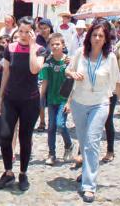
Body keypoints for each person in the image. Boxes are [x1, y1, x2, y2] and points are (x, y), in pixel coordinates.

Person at [66, 19, 120, 203]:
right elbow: (67, 71)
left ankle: (89, 186)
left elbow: (118, 82)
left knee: (92, 142)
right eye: (94, 35)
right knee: (84, 141)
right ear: (89, 36)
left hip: (100, 103)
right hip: (79, 102)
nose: (97, 38)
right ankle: (87, 172)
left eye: (101, 36)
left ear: (106, 39)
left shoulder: (110, 58)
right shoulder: (80, 53)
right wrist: (72, 74)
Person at [0, 16, 44, 192]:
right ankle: (8, 172)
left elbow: (34, 69)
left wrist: (32, 46)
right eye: (21, 31)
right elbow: (6, 72)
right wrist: (0, 96)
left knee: (25, 137)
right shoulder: (10, 48)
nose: (23, 35)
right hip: (10, 98)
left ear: (33, 32)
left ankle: (23, 173)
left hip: (30, 101)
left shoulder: (40, 50)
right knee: (4, 135)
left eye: (27, 32)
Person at [40, 33, 74, 166]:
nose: (55, 46)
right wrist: (40, 97)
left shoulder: (69, 62)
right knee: (51, 127)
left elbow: (73, 82)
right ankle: (52, 153)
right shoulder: (48, 63)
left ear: (63, 45)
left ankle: (68, 145)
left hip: (64, 99)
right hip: (51, 98)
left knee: (61, 123)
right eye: (52, 44)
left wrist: (69, 102)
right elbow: (45, 81)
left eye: (57, 44)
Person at [35, 18, 53, 131]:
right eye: (41, 28)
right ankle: (42, 122)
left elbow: (64, 51)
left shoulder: (55, 38)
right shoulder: (38, 39)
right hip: (41, 72)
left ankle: (52, 122)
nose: (43, 30)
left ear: (50, 28)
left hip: (53, 71)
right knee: (40, 97)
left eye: (45, 28)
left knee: (52, 97)